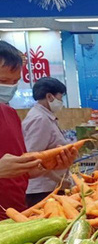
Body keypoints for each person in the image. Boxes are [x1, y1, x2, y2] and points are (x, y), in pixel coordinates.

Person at [0, 41, 75, 218]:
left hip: (17, 214)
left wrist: (52, 164)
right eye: (3, 81)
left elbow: (22, 170)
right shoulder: (37, 118)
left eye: (15, 82)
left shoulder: (10, 115)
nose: (9, 87)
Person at [22, 77, 71, 207]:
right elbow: (34, 159)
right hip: (43, 190)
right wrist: (59, 180)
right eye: (60, 97)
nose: (61, 102)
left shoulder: (46, 117)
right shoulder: (40, 119)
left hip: (51, 187)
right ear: (49, 97)